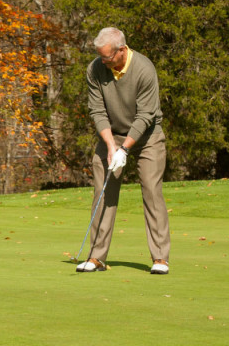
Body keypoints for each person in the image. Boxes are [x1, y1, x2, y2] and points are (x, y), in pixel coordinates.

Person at [77, 27, 170, 275]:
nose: (103, 62)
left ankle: (160, 258)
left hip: (148, 135)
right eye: (101, 57)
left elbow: (145, 115)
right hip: (112, 134)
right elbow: (97, 111)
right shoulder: (95, 69)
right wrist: (111, 146)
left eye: (107, 58)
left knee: (151, 190)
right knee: (103, 191)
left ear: (121, 50)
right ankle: (96, 257)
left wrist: (125, 149)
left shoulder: (144, 68)